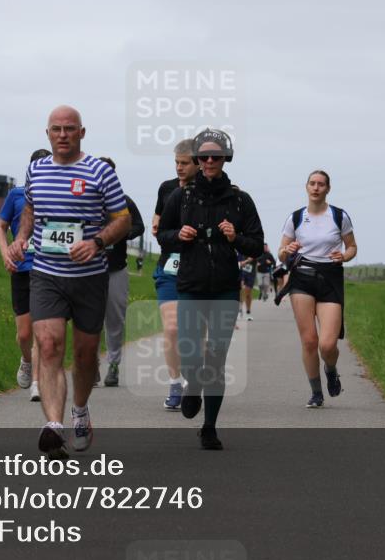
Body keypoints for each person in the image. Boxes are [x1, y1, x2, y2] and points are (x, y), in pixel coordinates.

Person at [7, 105, 131, 459]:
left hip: (90, 277)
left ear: (82, 132)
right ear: (47, 134)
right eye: (56, 129)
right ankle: (53, 426)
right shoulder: (36, 170)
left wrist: (96, 243)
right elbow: (30, 209)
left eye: (69, 129)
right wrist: (21, 238)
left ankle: (79, 409)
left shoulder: (100, 172)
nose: (63, 135)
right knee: (48, 347)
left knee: (86, 353)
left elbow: (121, 219)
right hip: (46, 274)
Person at [157, 128, 263, 449]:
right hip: (189, 286)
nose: (210, 161)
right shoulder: (181, 197)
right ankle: (191, 388)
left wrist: (235, 238)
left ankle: (210, 427)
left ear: (225, 158)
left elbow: (256, 245)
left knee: (215, 358)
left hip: (225, 290)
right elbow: (162, 235)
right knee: (190, 354)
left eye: (216, 156)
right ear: (197, 159)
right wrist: (179, 235)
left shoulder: (240, 200)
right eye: (204, 156)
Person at [277, 170, 357, 408]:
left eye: (321, 184)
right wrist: (288, 250)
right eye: (312, 183)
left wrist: (344, 256)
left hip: (330, 278)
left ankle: (330, 369)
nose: (316, 188)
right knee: (310, 341)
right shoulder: (296, 218)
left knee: (327, 344)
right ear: (306, 187)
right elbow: (281, 253)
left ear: (327, 189)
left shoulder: (339, 216)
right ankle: (316, 392)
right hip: (302, 278)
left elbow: (352, 247)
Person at [0, 148, 52, 402]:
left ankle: (38, 383)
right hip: (21, 268)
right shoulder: (16, 196)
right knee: (24, 334)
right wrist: (5, 251)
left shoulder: (56, 195)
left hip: (47, 269)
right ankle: (26, 361)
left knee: (41, 330)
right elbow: (0, 225)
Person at [151, 139, 200, 410]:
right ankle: (174, 383)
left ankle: (193, 380)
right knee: (171, 328)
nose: (179, 168)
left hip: (200, 270)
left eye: (184, 163)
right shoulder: (167, 188)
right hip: (170, 266)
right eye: (176, 163)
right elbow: (158, 220)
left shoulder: (209, 191)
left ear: (198, 163)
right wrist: (159, 227)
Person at [97, 157, 145, 388]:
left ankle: (113, 364)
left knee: (114, 320)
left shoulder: (124, 201)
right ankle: (91, 365)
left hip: (116, 269)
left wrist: (121, 233)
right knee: (89, 319)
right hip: (89, 269)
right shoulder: (86, 199)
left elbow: (139, 226)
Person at [239, 254, 256, 320]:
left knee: (248, 293)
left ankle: (248, 311)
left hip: (250, 273)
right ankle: (240, 310)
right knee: (239, 292)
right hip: (240, 271)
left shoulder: (253, 248)